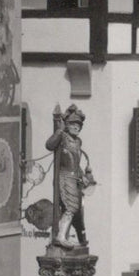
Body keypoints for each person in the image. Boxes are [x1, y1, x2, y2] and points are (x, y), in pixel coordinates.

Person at [45, 103, 93, 247]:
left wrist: (83, 176)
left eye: (78, 125)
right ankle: (60, 236)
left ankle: (63, 235)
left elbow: (76, 163)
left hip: (75, 178)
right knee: (70, 207)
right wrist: (59, 132)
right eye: (73, 124)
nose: (76, 127)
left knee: (74, 208)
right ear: (67, 124)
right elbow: (49, 145)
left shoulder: (78, 141)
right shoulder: (63, 137)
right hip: (64, 176)